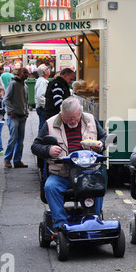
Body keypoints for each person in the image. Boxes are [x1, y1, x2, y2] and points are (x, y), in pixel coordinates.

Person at [31, 97, 107, 232]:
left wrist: (100, 145)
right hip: (62, 173)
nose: (72, 121)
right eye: (68, 118)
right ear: (62, 114)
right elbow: (35, 146)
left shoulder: (90, 119)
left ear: (80, 114)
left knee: (99, 182)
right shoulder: (50, 123)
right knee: (50, 186)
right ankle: (60, 224)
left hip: (87, 171)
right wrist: (48, 150)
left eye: (75, 118)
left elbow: (103, 138)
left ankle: (95, 219)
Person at [3, 67, 29, 168]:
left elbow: (26, 101)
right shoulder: (13, 84)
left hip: (22, 116)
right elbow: (6, 99)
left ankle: (17, 160)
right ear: (19, 73)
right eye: (24, 73)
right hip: (14, 116)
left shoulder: (25, 86)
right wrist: (11, 111)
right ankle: (7, 159)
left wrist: (26, 113)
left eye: (27, 73)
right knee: (13, 138)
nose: (26, 74)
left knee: (20, 140)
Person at [34, 64, 50, 133]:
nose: (49, 70)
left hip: (41, 107)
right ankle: (40, 141)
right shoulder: (43, 82)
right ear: (45, 72)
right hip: (42, 108)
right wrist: (46, 106)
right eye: (47, 69)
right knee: (43, 127)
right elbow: (40, 96)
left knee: (43, 126)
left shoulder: (41, 81)